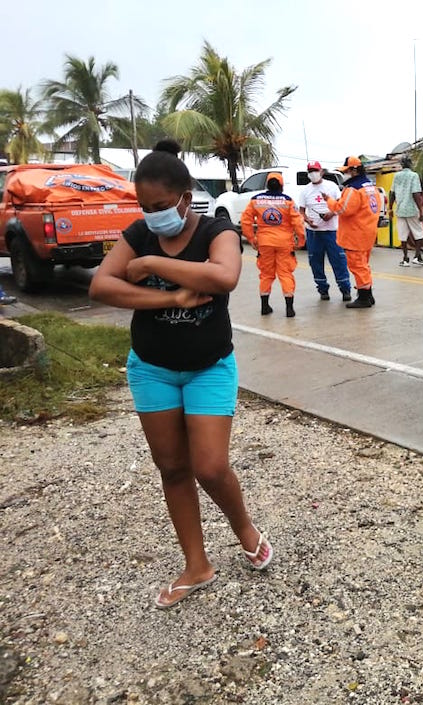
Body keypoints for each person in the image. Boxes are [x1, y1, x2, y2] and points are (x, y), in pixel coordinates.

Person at [88, 140, 272, 610]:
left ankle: (244, 528)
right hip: (152, 368)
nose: (152, 216)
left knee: (210, 466)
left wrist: (149, 266)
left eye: (161, 206)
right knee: (172, 468)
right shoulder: (137, 232)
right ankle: (197, 564)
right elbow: (101, 285)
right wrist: (168, 298)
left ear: (186, 197)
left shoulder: (217, 230)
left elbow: (223, 276)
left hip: (209, 367)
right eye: (145, 207)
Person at [240, 172, 305, 317]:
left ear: (267, 184)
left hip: (264, 242)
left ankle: (264, 306)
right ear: (281, 185)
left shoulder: (255, 200)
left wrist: (251, 238)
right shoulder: (288, 201)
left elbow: (245, 221)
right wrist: (300, 240)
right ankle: (289, 308)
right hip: (284, 243)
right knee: (285, 273)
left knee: (266, 274)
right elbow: (298, 222)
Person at [322, 156, 382, 309]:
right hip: (368, 232)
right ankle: (368, 294)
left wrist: (328, 201)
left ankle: (364, 297)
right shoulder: (371, 186)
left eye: (346, 171)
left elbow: (342, 209)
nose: (345, 174)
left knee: (357, 266)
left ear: (354, 170)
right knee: (364, 265)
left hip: (355, 234)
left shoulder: (353, 189)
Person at [298, 161, 351, 302]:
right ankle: (322, 289)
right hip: (314, 232)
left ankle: (345, 289)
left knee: (338, 260)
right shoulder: (305, 190)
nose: (313, 174)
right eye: (310, 171)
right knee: (315, 262)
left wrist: (331, 213)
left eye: (315, 170)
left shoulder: (331, 186)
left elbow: (340, 205)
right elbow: (302, 211)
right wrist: (307, 220)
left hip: (332, 230)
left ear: (321, 171)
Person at [389, 155, 423, 267]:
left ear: (402, 165)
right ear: (410, 164)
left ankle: (405, 259)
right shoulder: (413, 175)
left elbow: (392, 193)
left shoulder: (396, 176)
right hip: (411, 209)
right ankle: (417, 256)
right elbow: (416, 193)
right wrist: (421, 209)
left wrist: (390, 208)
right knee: (418, 232)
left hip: (400, 209)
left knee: (403, 235)